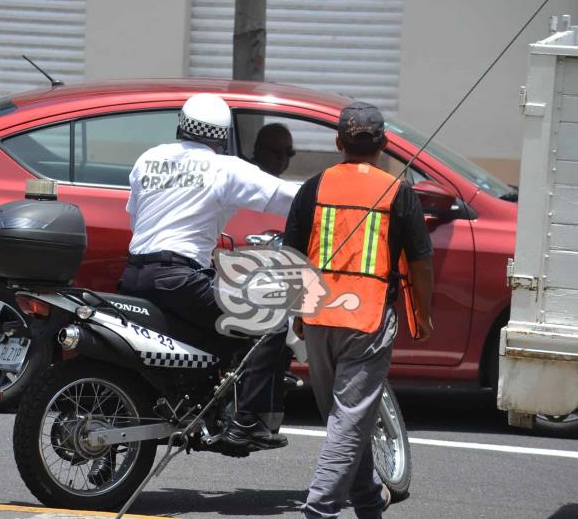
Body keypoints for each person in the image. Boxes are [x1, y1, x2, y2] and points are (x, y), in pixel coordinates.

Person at [118, 93, 300, 451]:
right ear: (223, 137)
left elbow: (136, 215)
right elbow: (288, 198)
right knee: (270, 323)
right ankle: (247, 425)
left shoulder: (148, 158)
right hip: (178, 278)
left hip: (136, 275)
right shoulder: (225, 168)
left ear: (180, 126)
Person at [284, 101, 434, 519]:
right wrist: (423, 315)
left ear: (338, 142)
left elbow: (291, 256)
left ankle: (368, 500)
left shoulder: (313, 187)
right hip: (366, 321)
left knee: (346, 417)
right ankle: (319, 510)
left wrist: (297, 312)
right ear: (384, 144)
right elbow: (420, 261)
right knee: (348, 421)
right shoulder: (398, 191)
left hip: (318, 319)